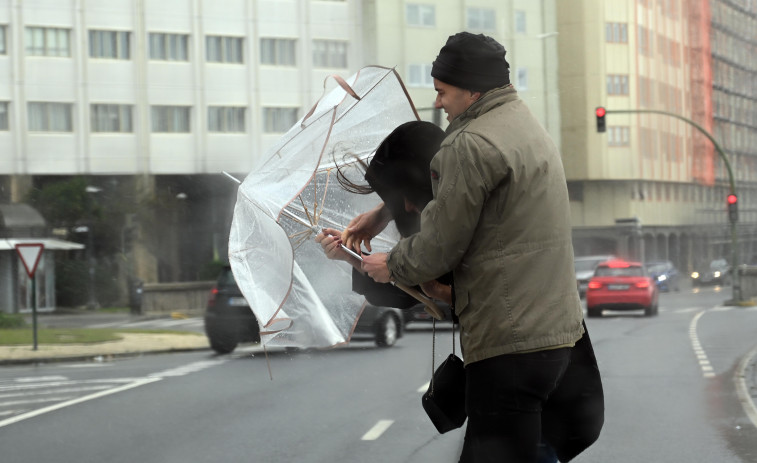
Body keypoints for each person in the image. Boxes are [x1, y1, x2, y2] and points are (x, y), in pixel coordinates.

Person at [344, 32, 603, 462]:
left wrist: (390, 262)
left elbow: (438, 247)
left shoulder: (469, 145)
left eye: (443, 92)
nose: (439, 103)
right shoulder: (523, 125)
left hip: (509, 345)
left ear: (472, 88)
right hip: (555, 336)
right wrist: (386, 211)